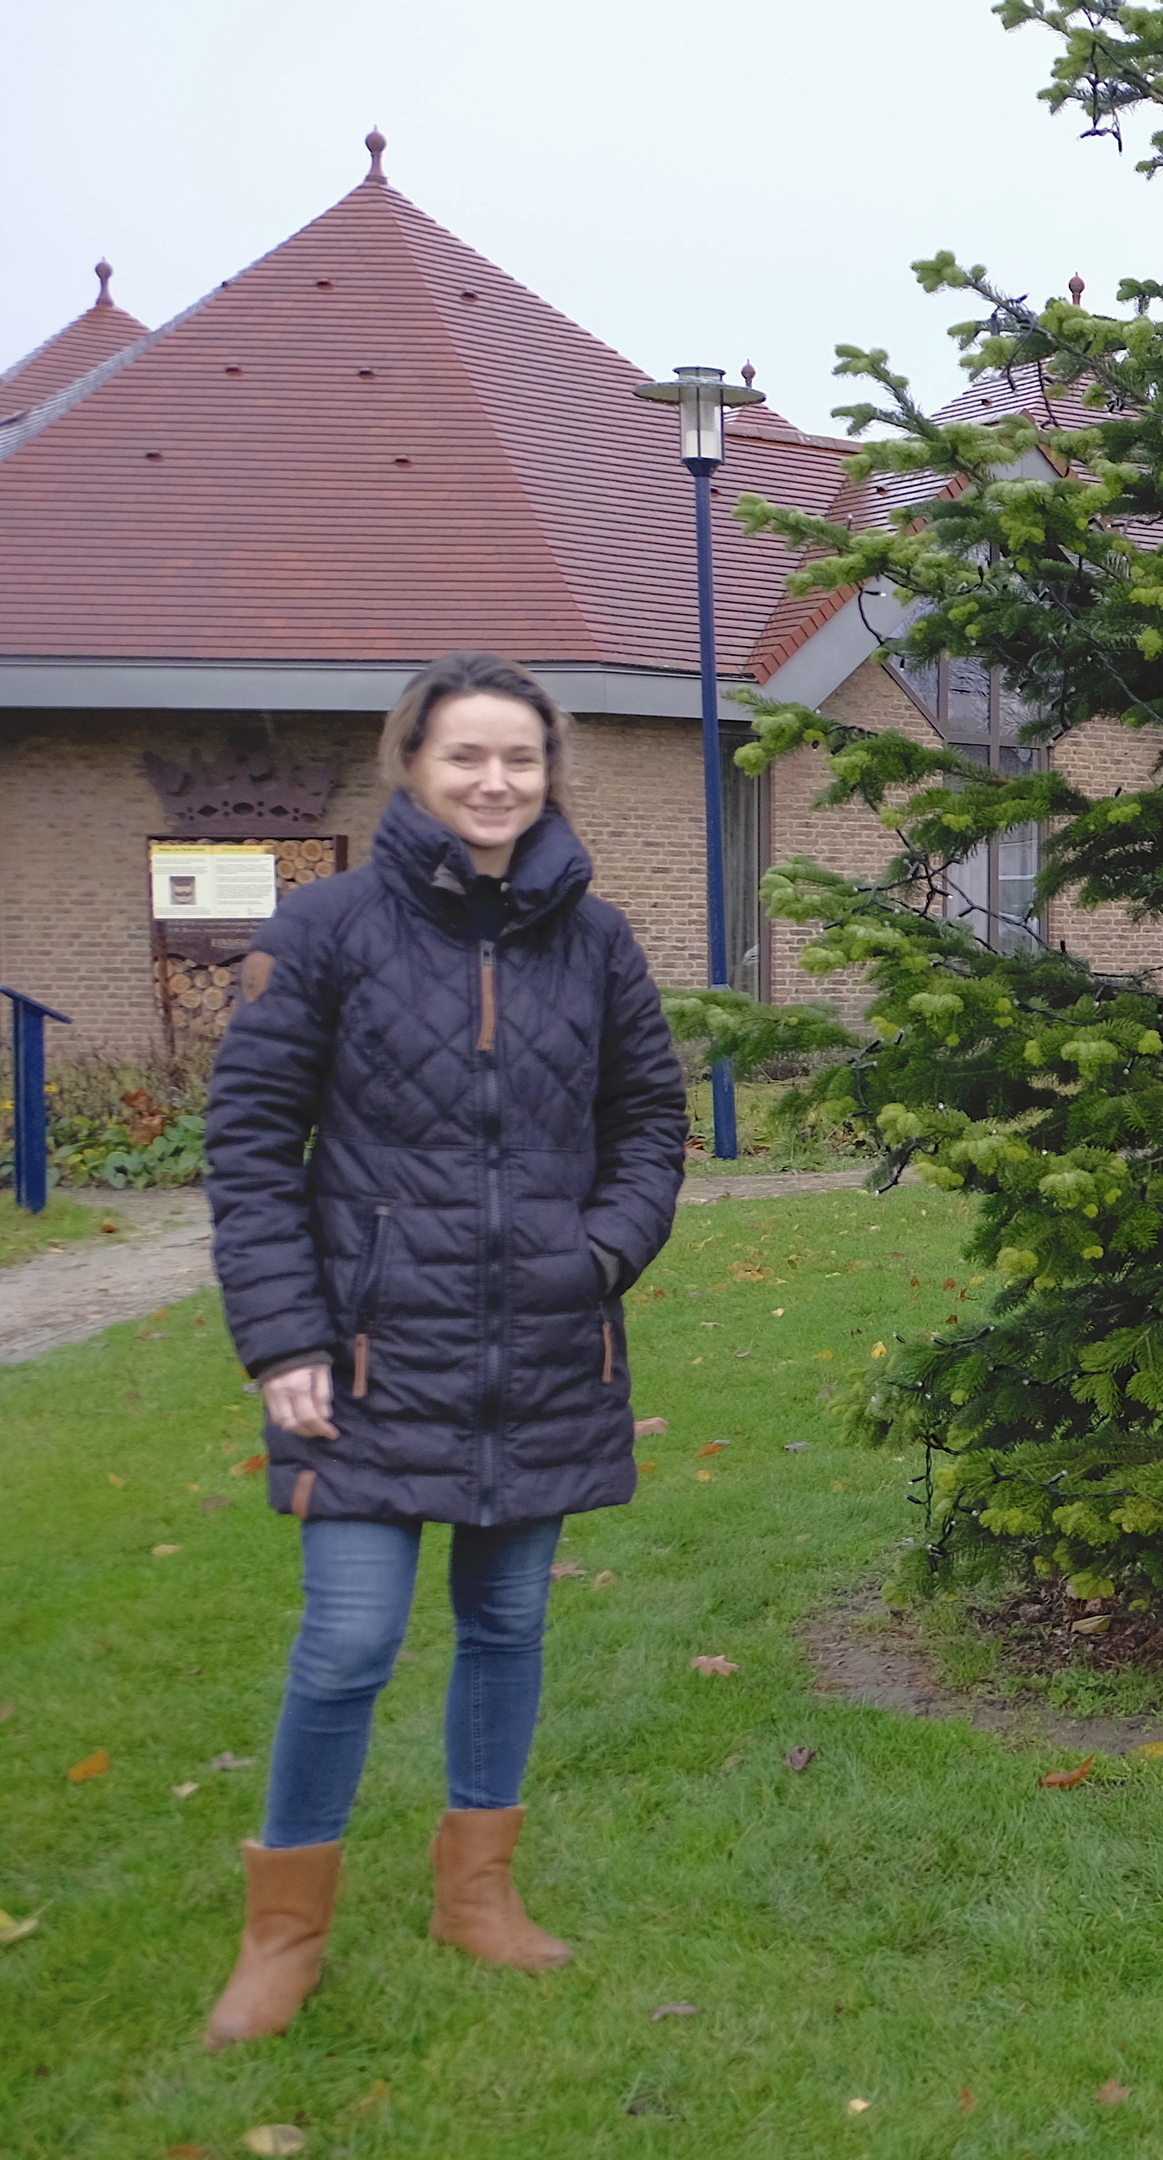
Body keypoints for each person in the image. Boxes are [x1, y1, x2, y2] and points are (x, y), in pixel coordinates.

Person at [197, 652, 686, 2048]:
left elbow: (649, 1123)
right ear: (412, 763)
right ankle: (282, 1934)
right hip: (361, 1356)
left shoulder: (598, 943)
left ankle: (478, 1896)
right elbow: (248, 1148)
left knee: (508, 1625)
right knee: (348, 1642)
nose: (494, 783)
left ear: (550, 774)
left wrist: (597, 1257)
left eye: (520, 760)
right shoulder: (327, 929)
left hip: (537, 1353)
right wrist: (282, 1333)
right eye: (466, 756)